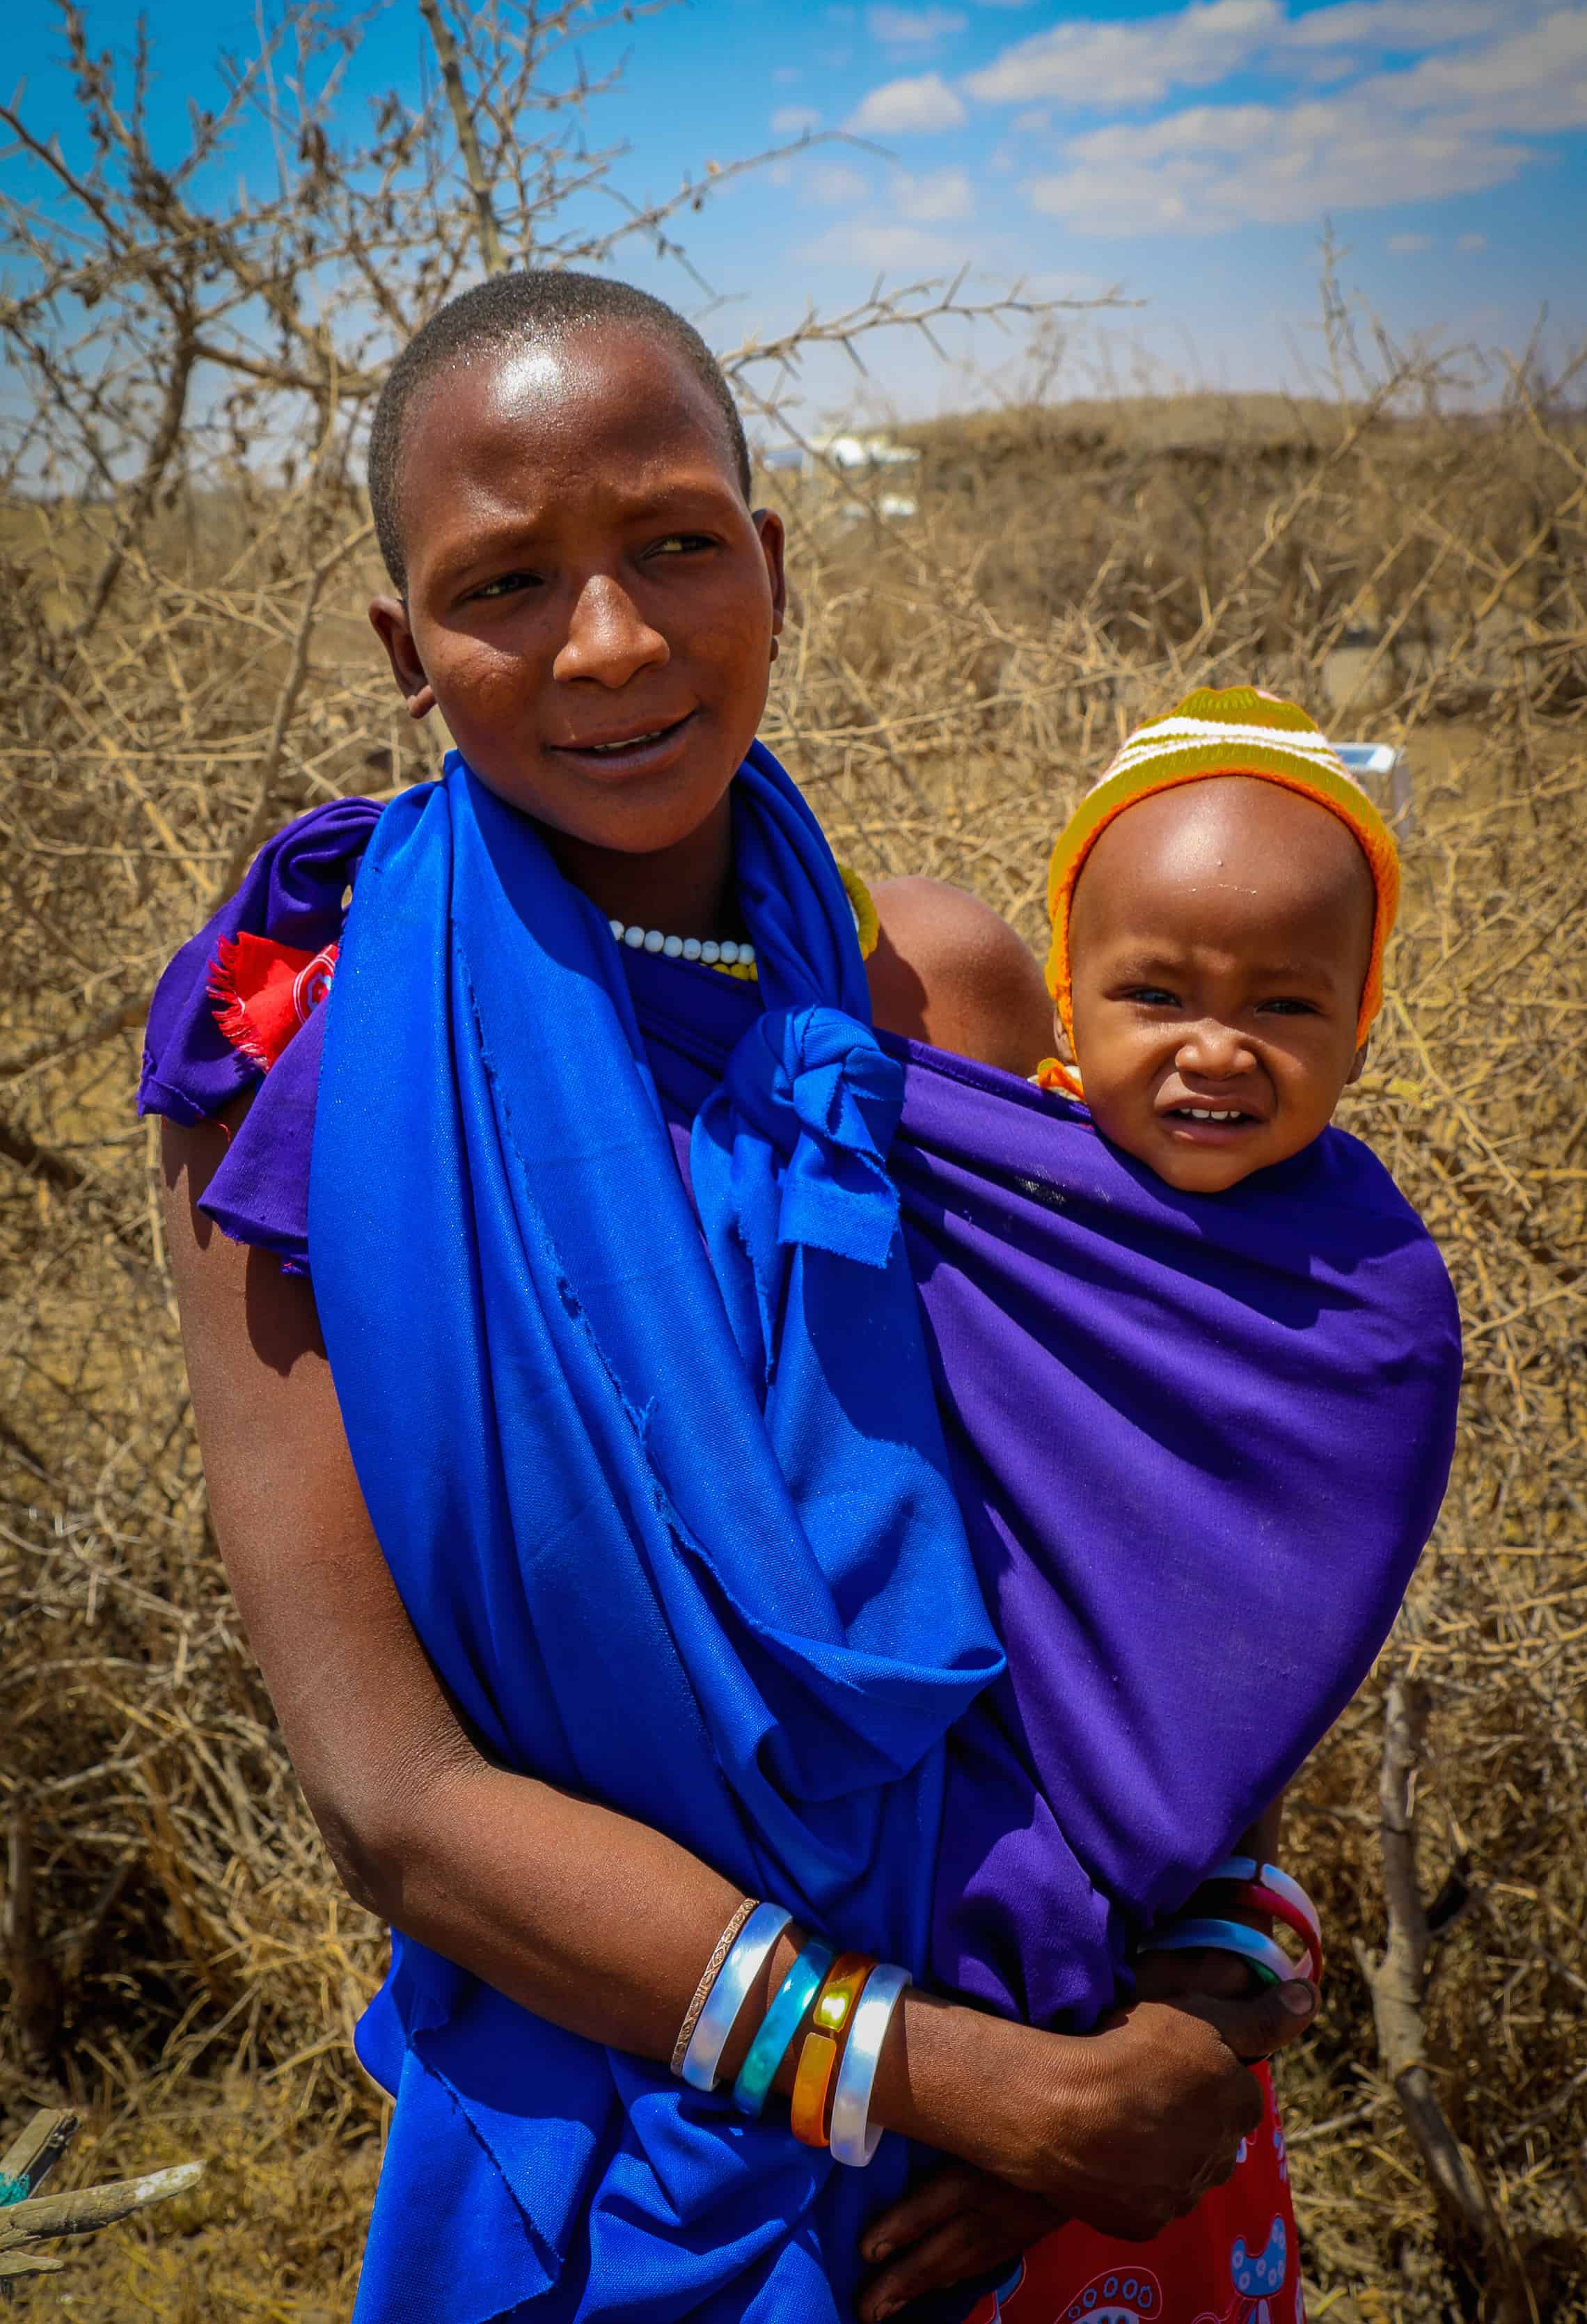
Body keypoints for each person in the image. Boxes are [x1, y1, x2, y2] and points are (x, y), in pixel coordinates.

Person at [141, 272, 1458, 2324]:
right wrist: (950, 2080)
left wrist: (1199, 1996)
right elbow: (394, 1799)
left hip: (1077, 2104)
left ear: (771, 560)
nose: (612, 640)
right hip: (641, 2134)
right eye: (506, 582)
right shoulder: (300, 1062)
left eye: (675, 542)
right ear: (407, 648)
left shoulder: (942, 991)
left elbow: (1157, 1557)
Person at [874, 688, 1453, 2323]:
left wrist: (1181, 2029)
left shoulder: (1359, 1306)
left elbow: (1240, 1705)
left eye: (1288, 1001)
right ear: (1067, 988)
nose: (1219, 1046)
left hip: (1160, 2026)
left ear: (1362, 1019)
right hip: (902, 1990)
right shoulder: (974, 1193)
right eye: (1155, 993)